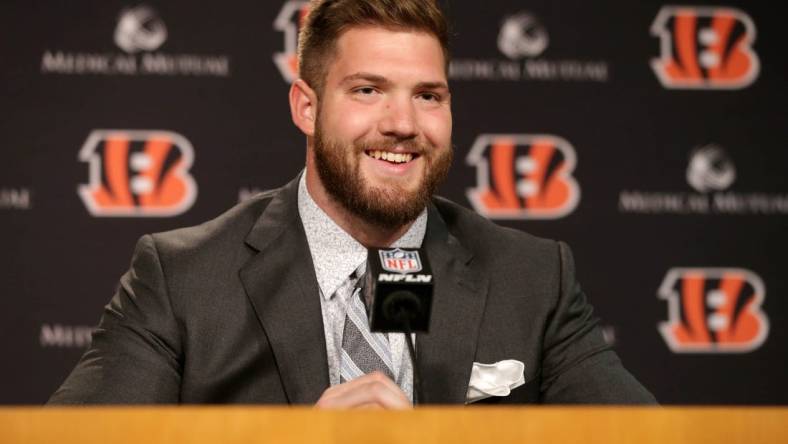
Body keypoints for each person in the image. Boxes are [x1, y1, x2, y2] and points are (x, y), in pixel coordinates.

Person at [49, 0, 656, 407]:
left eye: (428, 95)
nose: (402, 123)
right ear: (306, 107)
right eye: (368, 90)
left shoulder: (533, 278)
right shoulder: (181, 278)